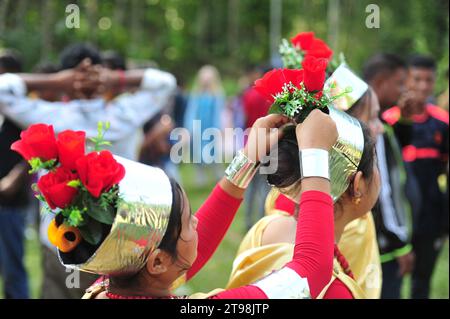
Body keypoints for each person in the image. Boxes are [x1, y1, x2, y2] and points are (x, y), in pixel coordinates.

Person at [75, 110, 342, 299]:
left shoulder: (107, 286)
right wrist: (315, 154)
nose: (197, 222)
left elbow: (190, 248)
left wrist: (247, 160)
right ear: (157, 262)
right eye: (188, 222)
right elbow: (310, 273)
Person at [226, 65, 383, 298]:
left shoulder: (264, 229)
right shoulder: (335, 285)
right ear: (357, 184)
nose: (380, 126)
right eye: (375, 164)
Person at [383, 55, 449, 299]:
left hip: (431, 213)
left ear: (435, 82)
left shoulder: (443, 122)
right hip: (398, 215)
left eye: (428, 80)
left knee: (422, 279)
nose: (422, 86)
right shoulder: (389, 121)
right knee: (393, 279)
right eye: (416, 79)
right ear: (406, 80)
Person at [363, 53, 416, 298]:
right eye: (400, 83)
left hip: (376, 244)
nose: (403, 90)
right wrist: (400, 244)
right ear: (381, 81)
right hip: (384, 248)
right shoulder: (373, 128)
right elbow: (380, 192)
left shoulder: (379, 121)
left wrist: (404, 119)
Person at [0, 50, 30, 299]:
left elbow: (34, 153)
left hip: (11, 202)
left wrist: (14, 179)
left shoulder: (23, 112)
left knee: (13, 266)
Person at [183, 65, 225, 186]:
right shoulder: (196, 94)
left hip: (211, 127)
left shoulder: (217, 94)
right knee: (197, 152)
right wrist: (188, 128)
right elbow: (191, 111)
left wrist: (218, 128)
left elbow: (218, 113)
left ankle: (218, 174)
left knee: (213, 152)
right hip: (198, 128)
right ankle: (200, 175)